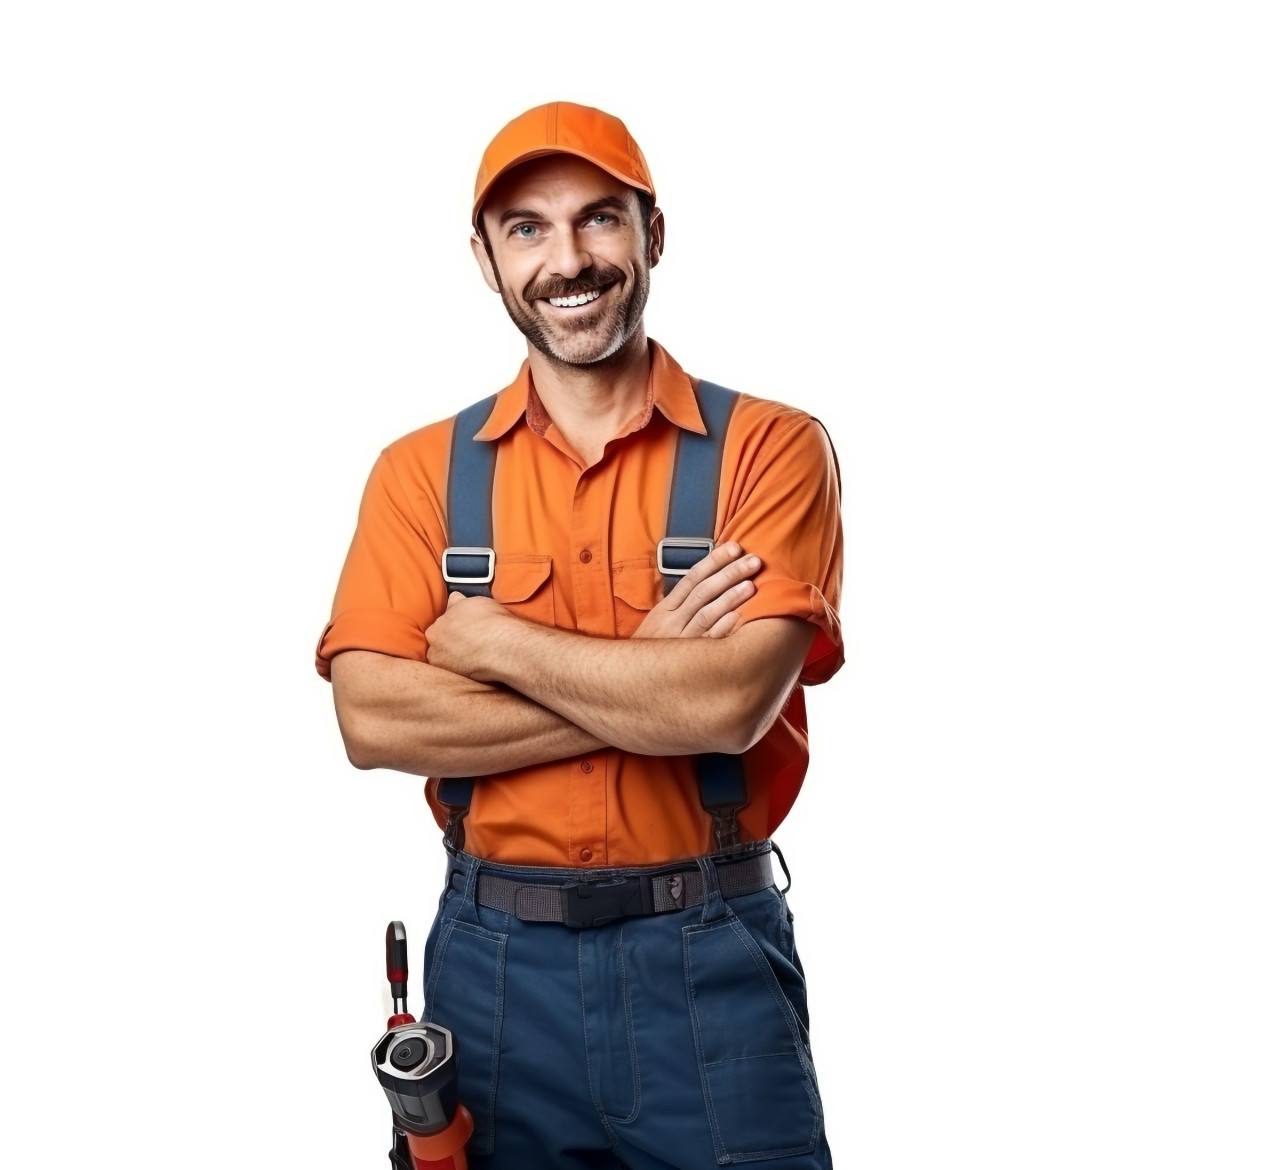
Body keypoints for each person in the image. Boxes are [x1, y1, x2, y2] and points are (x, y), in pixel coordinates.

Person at [316, 102, 844, 1169]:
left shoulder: (770, 450)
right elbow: (370, 720)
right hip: (492, 969)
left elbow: (725, 704)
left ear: (653, 233)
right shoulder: (418, 474)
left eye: (598, 219)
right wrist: (648, 667)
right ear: (484, 257)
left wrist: (494, 643)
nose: (569, 260)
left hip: (712, 961)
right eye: (526, 228)